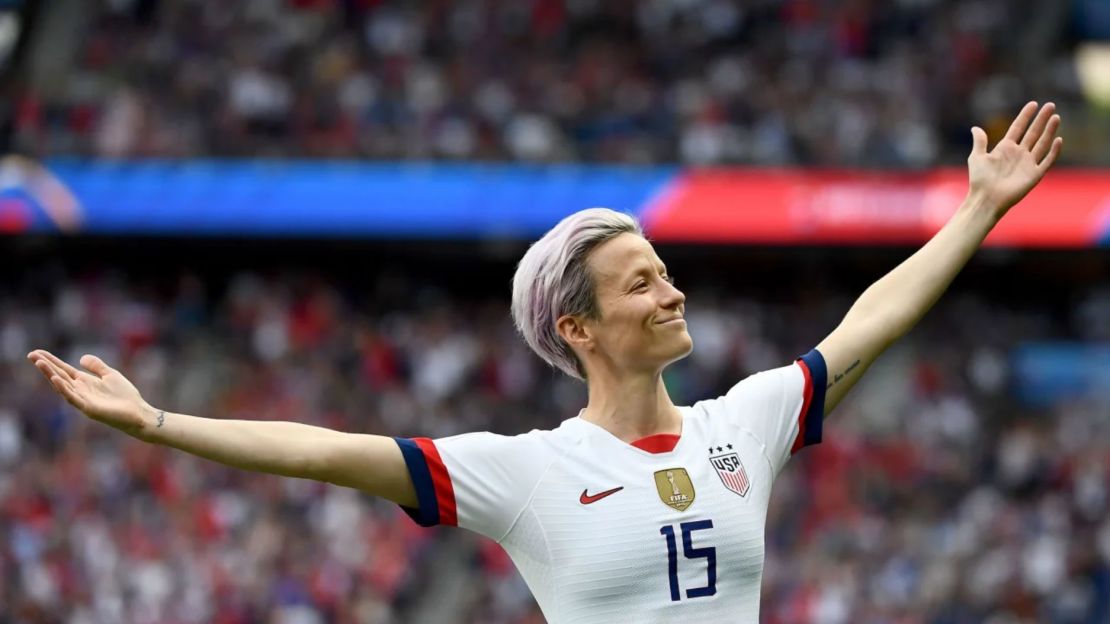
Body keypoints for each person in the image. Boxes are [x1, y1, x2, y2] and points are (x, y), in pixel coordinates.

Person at [28, 102, 1063, 623]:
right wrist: (162, 425)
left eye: (666, 272)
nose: (673, 293)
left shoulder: (740, 423)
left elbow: (871, 319)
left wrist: (977, 210)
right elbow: (319, 451)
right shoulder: (521, 474)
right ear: (580, 327)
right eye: (643, 285)